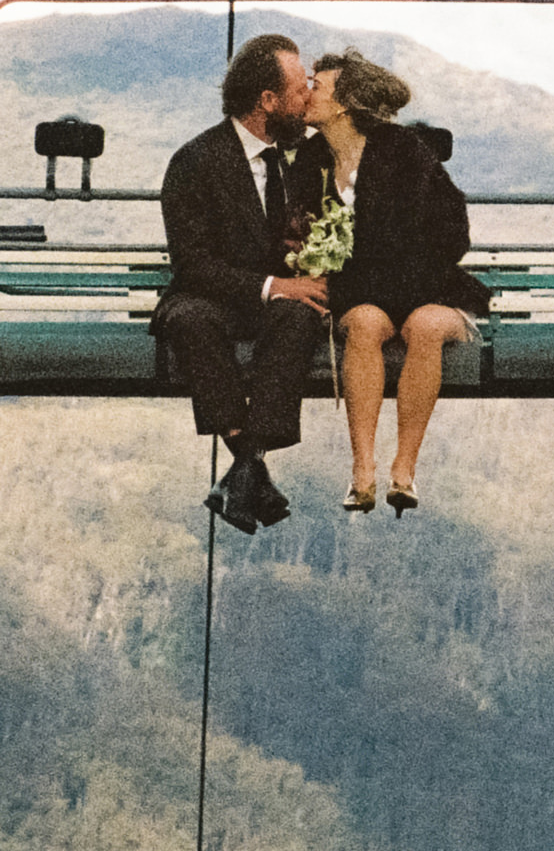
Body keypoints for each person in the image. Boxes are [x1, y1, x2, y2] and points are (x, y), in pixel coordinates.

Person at [287, 49, 489, 516]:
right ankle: (363, 470)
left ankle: (405, 469)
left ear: (343, 103)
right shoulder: (310, 160)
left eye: (317, 86)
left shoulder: (403, 150)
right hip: (361, 292)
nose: (309, 94)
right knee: (364, 325)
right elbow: (295, 225)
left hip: (425, 284)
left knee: (425, 328)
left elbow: (451, 228)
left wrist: (405, 270)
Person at [151, 31, 328, 536]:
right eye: (299, 91)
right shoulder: (196, 162)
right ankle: (252, 464)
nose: (306, 100)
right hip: (212, 295)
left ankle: (244, 470)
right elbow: (193, 265)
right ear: (267, 100)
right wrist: (274, 285)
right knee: (191, 321)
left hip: (273, 301)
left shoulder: (301, 162)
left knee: (299, 316)